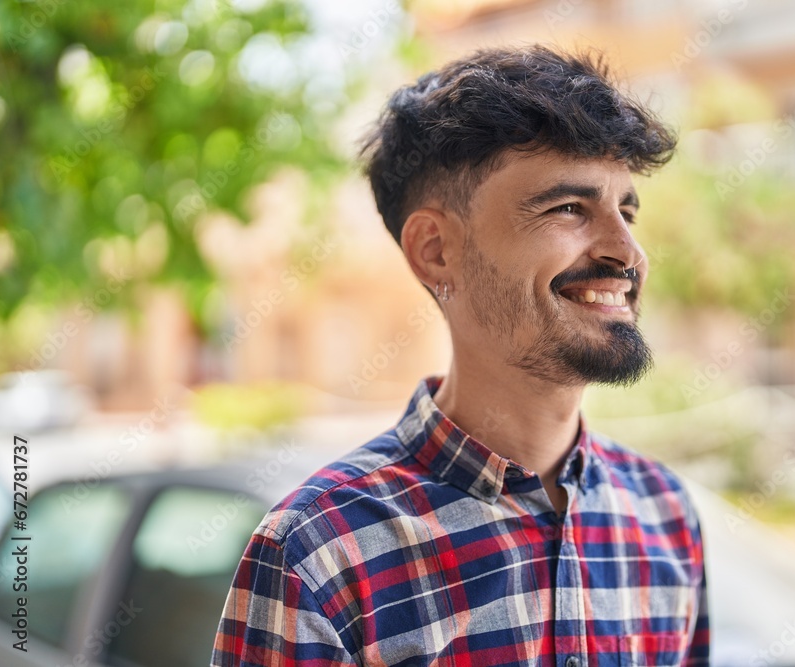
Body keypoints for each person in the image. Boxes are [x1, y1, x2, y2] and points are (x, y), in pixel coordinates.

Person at [212, 44, 709, 667]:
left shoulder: (665, 514)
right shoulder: (318, 555)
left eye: (627, 210)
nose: (626, 251)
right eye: (568, 208)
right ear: (437, 250)